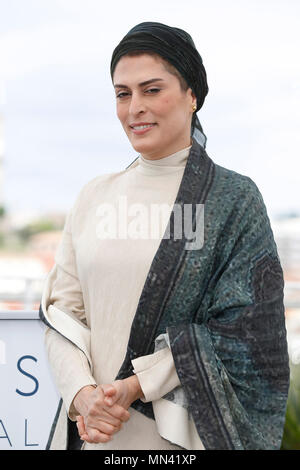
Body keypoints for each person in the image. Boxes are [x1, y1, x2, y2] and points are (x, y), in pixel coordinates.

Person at [39, 21, 290, 451]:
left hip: (180, 439)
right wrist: (82, 395)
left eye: (151, 90)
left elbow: (246, 331)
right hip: (95, 433)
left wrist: (137, 384)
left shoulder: (231, 199)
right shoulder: (94, 196)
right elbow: (64, 313)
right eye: (123, 93)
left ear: (193, 95)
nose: (134, 107)